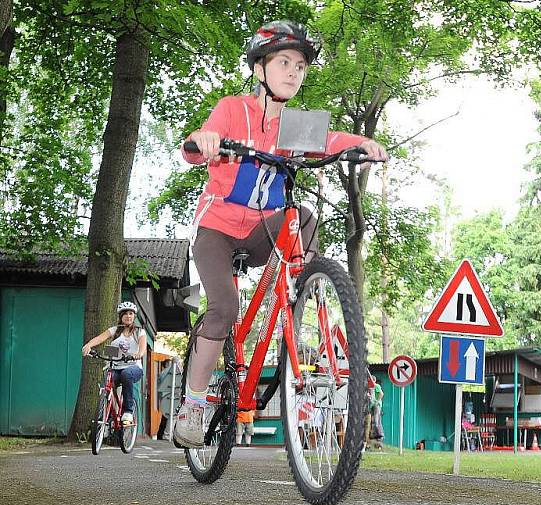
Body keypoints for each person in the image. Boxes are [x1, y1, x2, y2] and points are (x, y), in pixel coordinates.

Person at [173, 20, 388, 448]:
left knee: (302, 215)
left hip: (261, 231)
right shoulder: (233, 109)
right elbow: (195, 143)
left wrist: (361, 141)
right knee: (224, 308)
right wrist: (205, 139)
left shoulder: (294, 126)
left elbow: (328, 140)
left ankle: (299, 289)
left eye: (301, 66)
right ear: (260, 70)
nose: (294, 71)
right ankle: (194, 403)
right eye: (284, 62)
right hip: (216, 229)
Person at [81, 301, 146, 427]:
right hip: (116, 367)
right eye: (125, 314)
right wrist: (88, 345)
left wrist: (139, 353)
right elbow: (100, 339)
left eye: (131, 313)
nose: (128, 316)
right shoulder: (115, 330)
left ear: (134, 316)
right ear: (121, 316)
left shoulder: (139, 332)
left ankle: (128, 411)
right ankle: (107, 414)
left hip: (133, 367)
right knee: (107, 378)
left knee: (126, 374)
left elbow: (142, 347)